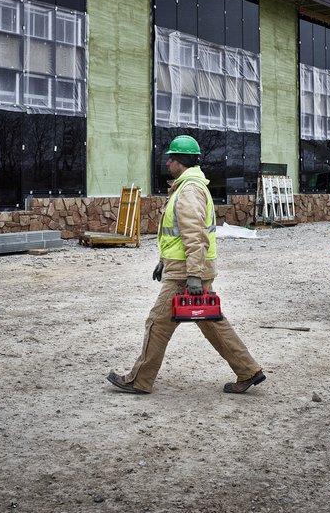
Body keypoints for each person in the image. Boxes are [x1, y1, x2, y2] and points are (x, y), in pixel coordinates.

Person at [107, 135, 266, 395]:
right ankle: (248, 370)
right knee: (211, 321)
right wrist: (163, 261)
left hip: (186, 273)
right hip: (186, 268)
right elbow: (179, 235)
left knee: (157, 323)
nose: (167, 163)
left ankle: (139, 380)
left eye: (171, 158)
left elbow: (194, 234)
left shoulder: (189, 190)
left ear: (180, 161)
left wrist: (193, 275)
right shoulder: (187, 187)